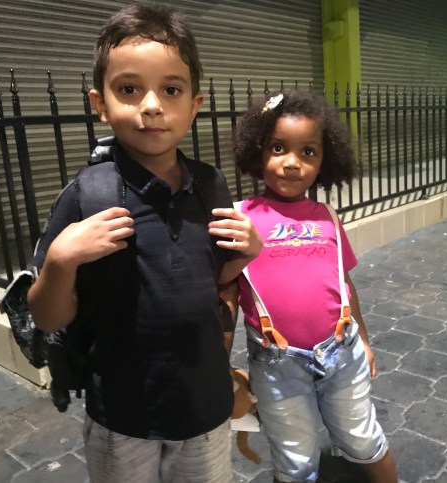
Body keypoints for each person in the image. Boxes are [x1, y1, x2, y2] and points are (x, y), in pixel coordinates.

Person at [27, 4, 261, 482]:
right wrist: (60, 261)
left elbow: (211, 281)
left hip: (204, 406)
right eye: (129, 89)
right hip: (123, 416)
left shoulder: (210, 186)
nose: (151, 106)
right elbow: (48, 318)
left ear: (194, 104)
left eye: (171, 90)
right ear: (100, 103)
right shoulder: (87, 195)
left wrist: (247, 254)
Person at [223, 90, 398, 482]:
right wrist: (222, 366)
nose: (292, 162)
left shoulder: (328, 218)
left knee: (364, 441)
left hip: (343, 353)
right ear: (257, 152)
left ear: (324, 160)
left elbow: (344, 283)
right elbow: (225, 294)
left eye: (308, 152)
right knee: (296, 463)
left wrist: (364, 339)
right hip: (277, 365)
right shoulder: (241, 219)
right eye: (278, 148)